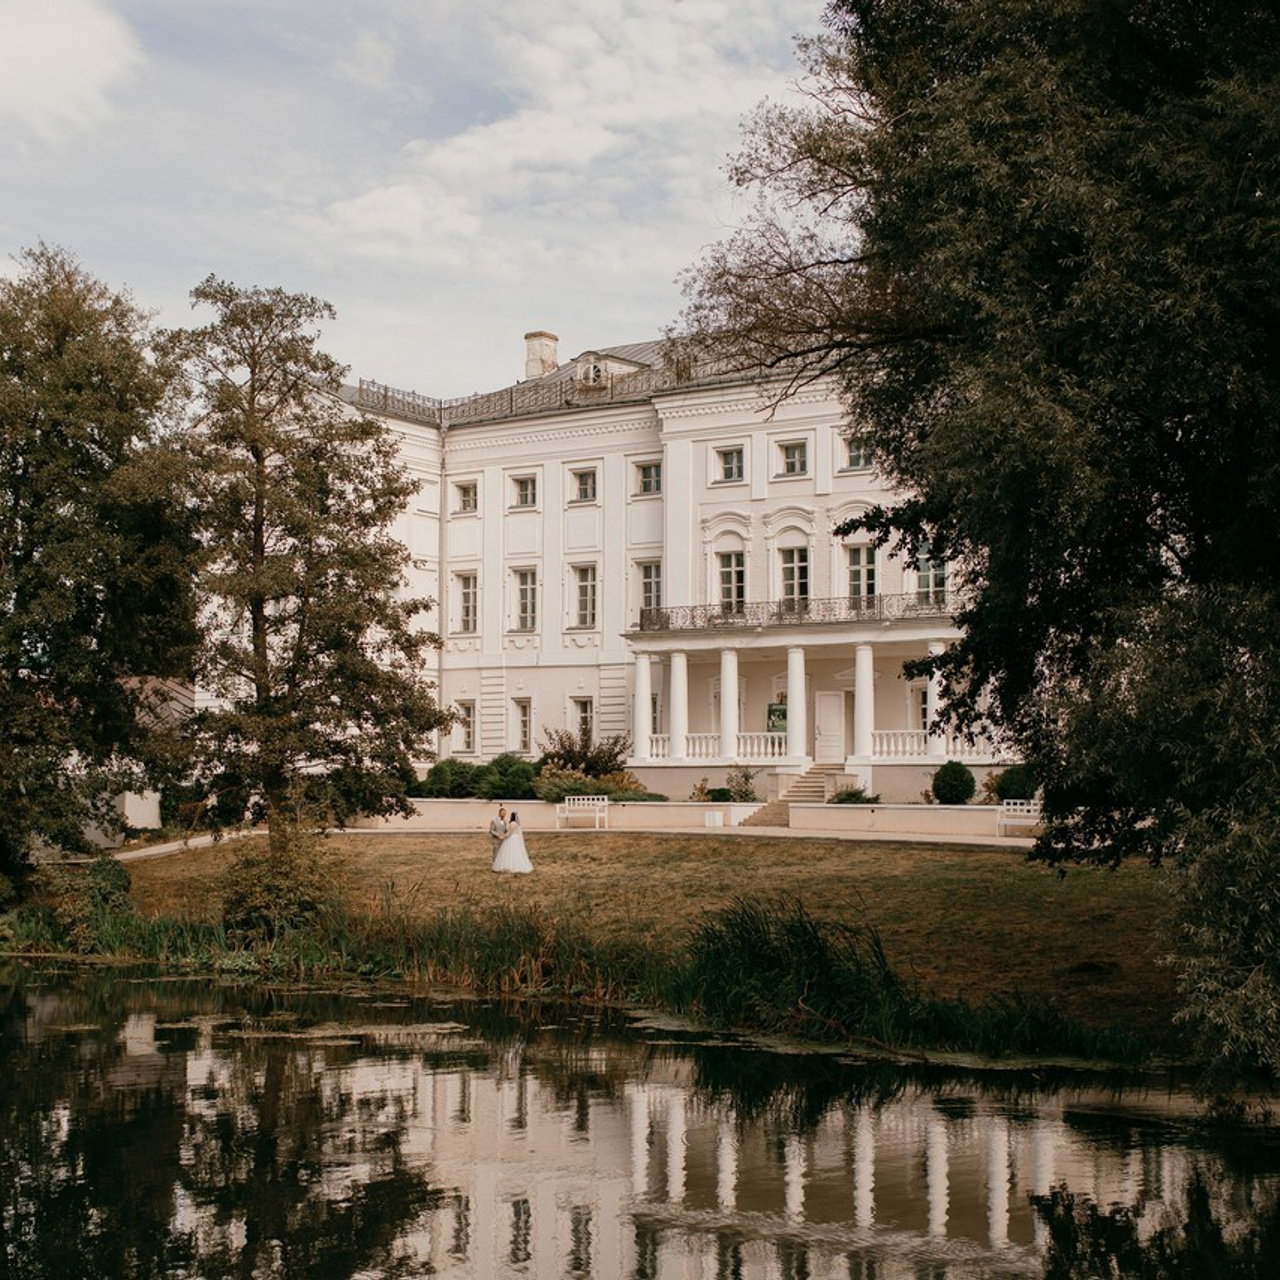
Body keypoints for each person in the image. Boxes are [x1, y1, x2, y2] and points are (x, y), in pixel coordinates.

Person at [491, 809, 533, 874]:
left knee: (511, 852)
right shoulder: (510, 822)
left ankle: (510, 865)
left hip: (511, 838)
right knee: (511, 852)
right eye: (503, 813)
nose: (506, 815)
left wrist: (504, 836)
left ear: (512, 816)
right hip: (511, 838)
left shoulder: (513, 823)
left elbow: (510, 832)